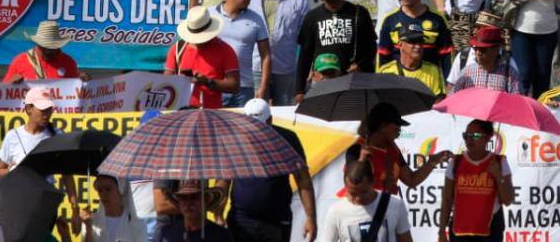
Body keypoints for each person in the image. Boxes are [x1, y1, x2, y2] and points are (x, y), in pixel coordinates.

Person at [228, 99, 316, 242]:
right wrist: (217, 211)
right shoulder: (234, 139)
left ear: (270, 120)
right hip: (241, 219)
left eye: (259, 126)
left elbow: (302, 179)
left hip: (276, 220)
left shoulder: (288, 139)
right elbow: (224, 177)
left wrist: (311, 218)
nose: (255, 131)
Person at [294, 0, 377, 101]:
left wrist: (361, 65)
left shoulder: (359, 13)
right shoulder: (312, 17)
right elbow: (305, 56)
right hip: (322, 83)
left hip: (354, 83)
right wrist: (299, 89)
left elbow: (371, 48)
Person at [346, 104, 451, 195]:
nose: (399, 131)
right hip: (363, 209)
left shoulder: (393, 150)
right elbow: (353, 182)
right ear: (383, 126)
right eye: (397, 127)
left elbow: (411, 180)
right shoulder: (357, 149)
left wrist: (432, 161)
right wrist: (362, 160)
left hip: (387, 208)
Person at [438, 119, 515, 242]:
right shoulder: (456, 162)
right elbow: (447, 199)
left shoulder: (499, 162)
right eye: (466, 135)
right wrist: (441, 231)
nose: (469, 140)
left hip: (490, 233)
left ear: (488, 137)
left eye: (475, 136)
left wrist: (498, 175)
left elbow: (508, 200)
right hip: (460, 233)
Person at [252, 0, 309, 105]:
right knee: (257, 111)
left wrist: (307, 68)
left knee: (285, 113)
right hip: (257, 65)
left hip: (285, 66)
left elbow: (306, 37)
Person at [163, 6, 240, 109]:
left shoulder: (225, 50)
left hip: (211, 111)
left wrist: (208, 82)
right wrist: (181, 80)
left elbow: (234, 85)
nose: (198, 41)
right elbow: (166, 81)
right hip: (181, 111)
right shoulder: (177, 49)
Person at [210, 0, 269, 107]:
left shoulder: (256, 19)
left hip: (244, 87)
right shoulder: (210, 14)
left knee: (243, 121)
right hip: (217, 85)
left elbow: (266, 55)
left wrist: (262, 87)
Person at [377, 0, 453, 72]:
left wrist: (448, 80)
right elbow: (383, 55)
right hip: (398, 78)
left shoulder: (437, 19)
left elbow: (446, 55)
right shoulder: (390, 20)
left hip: (430, 77)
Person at [320, 160, 411, 242]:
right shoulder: (336, 212)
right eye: (352, 194)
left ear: (373, 182)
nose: (358, 198)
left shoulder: (395, 205)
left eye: (363, 192)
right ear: (345, 186)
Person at [376, 23, 446, 98]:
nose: (418, 46)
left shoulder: (433, 71)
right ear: (400, 44)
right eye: (413, 41)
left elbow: (438, 101)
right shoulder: (386, 72)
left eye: (421, 41)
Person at [450, 25, 524, 93]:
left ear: (496, 50)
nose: (478, 53)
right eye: (476, 48)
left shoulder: (510, 74)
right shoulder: (467, 72)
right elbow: (453, 97)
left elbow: (517, 99)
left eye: (483, 50)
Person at [3, 21, 80, 83]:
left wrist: (83, 84)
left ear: (58, 45)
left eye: (51, 47)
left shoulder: (69, 62)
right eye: (44, 46)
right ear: (37, 43)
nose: (48, 51)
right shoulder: (20, 61)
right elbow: (3, 91)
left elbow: (76, 93)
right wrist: (11, 82)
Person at [79, 175, 148, 242]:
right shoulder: (91, 221)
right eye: (100, 190)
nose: (103, 194)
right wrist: (88, 228)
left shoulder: (137, 224)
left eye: (108, 189)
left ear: (120, 191)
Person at [159, 181, 231, 242]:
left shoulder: (221, 236)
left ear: (206, 200)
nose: (188, 203)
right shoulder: (167, 233)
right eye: (183, 197)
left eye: (194, 196)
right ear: (178, 202)